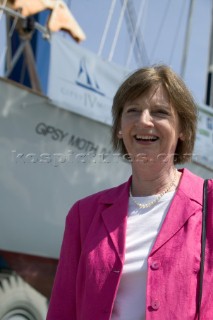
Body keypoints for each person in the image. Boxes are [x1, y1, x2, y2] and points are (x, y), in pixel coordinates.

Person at [46, 65, 213, 320]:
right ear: (120, 128)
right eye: (133, 111)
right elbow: (62, 310)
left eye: (160, 112)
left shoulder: (208, 204)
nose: (144, 120)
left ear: (183, 130)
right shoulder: (84, 215)